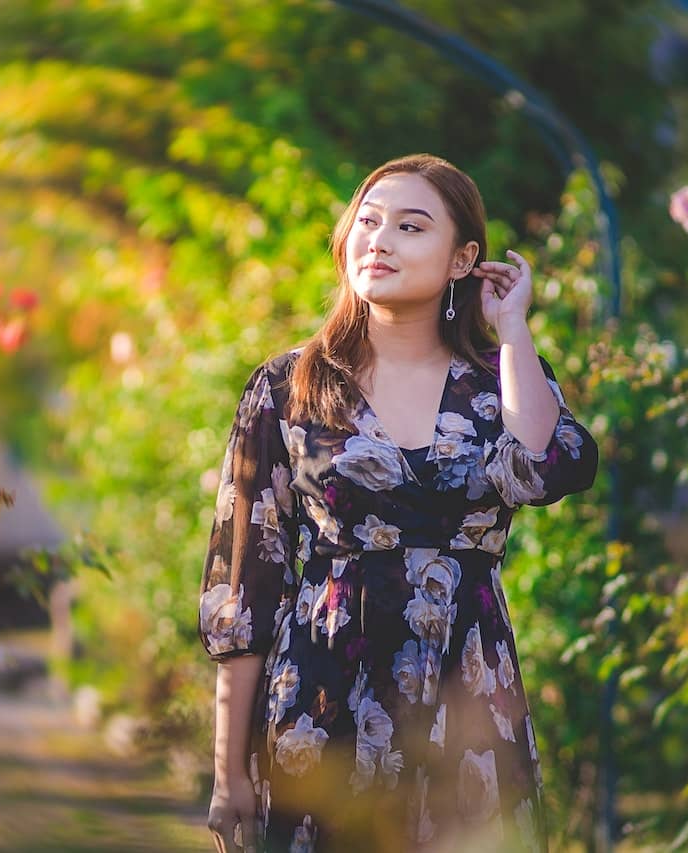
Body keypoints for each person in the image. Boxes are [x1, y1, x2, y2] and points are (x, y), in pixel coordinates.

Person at [198, 153, 598, 853]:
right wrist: (227, 770)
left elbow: (542, 467)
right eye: (368, 221)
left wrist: (511, 330)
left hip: (468, 694)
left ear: (461, 258)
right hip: (323, 698)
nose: (377, 240)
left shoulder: (496, 382)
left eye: (410, 227)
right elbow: (246, 588)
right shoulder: (287, 385)